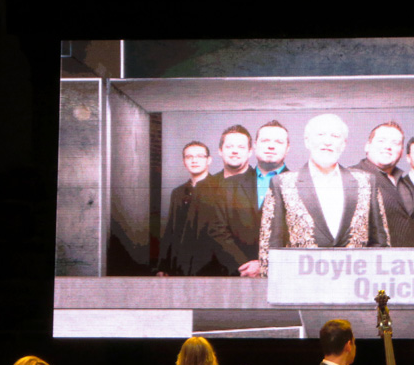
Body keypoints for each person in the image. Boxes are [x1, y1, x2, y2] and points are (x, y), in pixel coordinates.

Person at [258, 114, 389, 276]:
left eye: (335, 136)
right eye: (320, 135)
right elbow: (270, 248)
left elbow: (381, 243)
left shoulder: (366, 182)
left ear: (344, 144)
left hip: (355, 281)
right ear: (307, 141)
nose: (327, 141)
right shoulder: (283, 183)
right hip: (302, 283)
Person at [352, 122, 414, 246]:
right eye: (381, 141)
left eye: (395, 143)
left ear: (402, 151)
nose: (388, 146)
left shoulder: (406, 183)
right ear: (367, 146)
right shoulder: (352, 178)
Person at [157, 141, 222, 276]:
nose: (194, 160)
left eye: (199, 156)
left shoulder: (221, 189)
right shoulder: (178, 192)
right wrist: (163, 266)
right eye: (189, 157)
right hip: (181, 263)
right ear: (184, 161)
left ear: (209, 160)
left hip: (211, 264)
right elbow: (170, 230)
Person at [208, 125, 263, 277]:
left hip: (252, 271)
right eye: (229, 146)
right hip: (210, 272)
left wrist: (252, 265)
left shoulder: (263, 183)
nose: (235, 151)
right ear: (220, 151)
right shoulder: (207, 185)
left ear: (250, 152)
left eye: (241, 147)